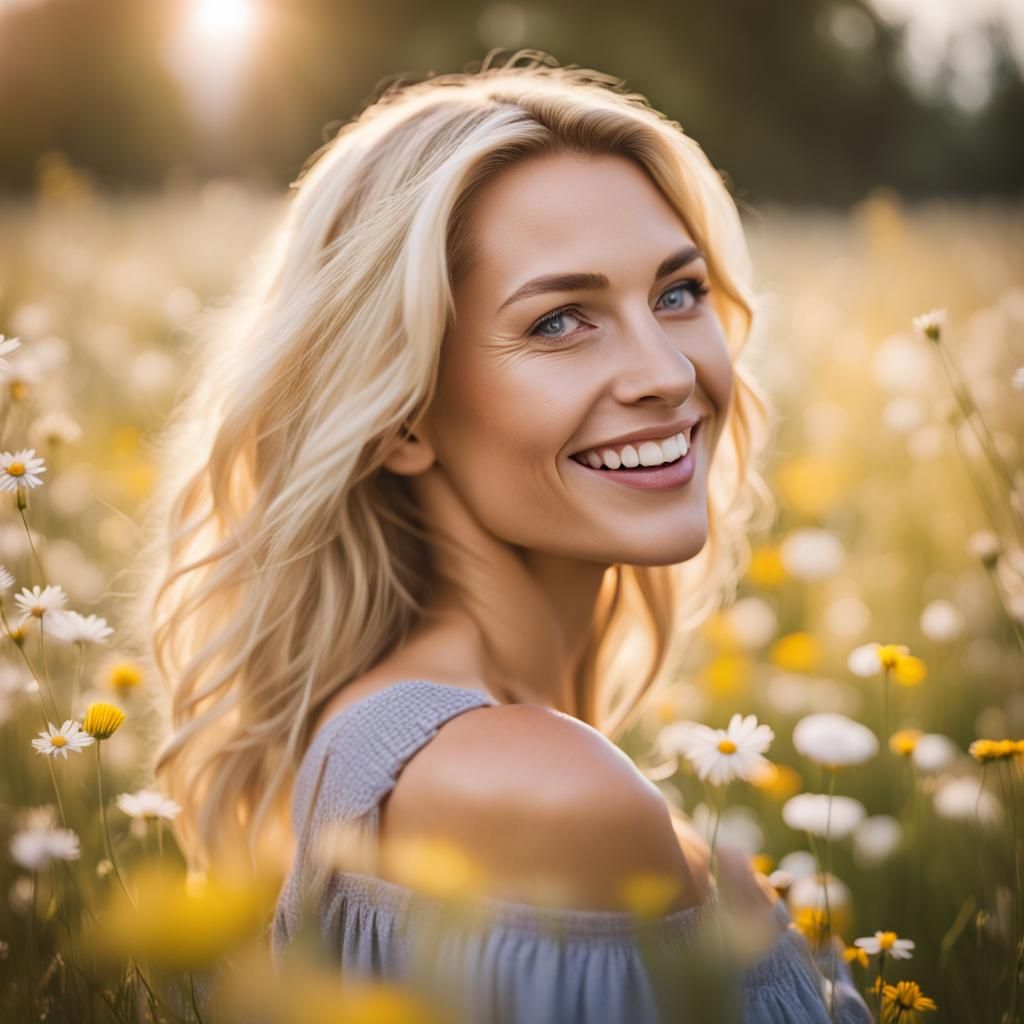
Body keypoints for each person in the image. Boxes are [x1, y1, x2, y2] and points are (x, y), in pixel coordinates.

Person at [137, 48, 873, 1023]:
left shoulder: (423, 745)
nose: (665, 371)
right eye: (561, 320)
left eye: (677, 293)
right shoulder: (536, 789)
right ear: (401, 416)